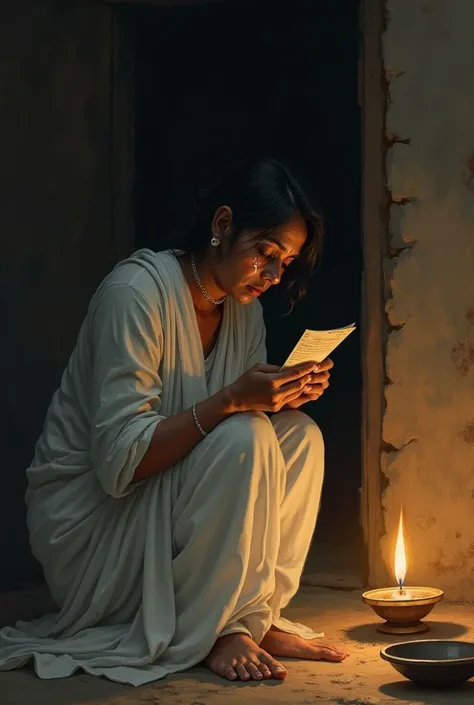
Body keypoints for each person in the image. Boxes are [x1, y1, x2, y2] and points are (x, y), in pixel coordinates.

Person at [0, 158, 347, 687]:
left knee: (299, 436)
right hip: (97, 520)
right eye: (266, 254)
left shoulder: (242, 309)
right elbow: (120, 463)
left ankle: (250, 615)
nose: (274, 276)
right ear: (223, 224)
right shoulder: (134, 294)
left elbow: (232, 436)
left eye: (286, 263)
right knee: (246, 432)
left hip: (171, 493)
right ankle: (213, 628)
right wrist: (235, 399)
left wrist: (282, 397)